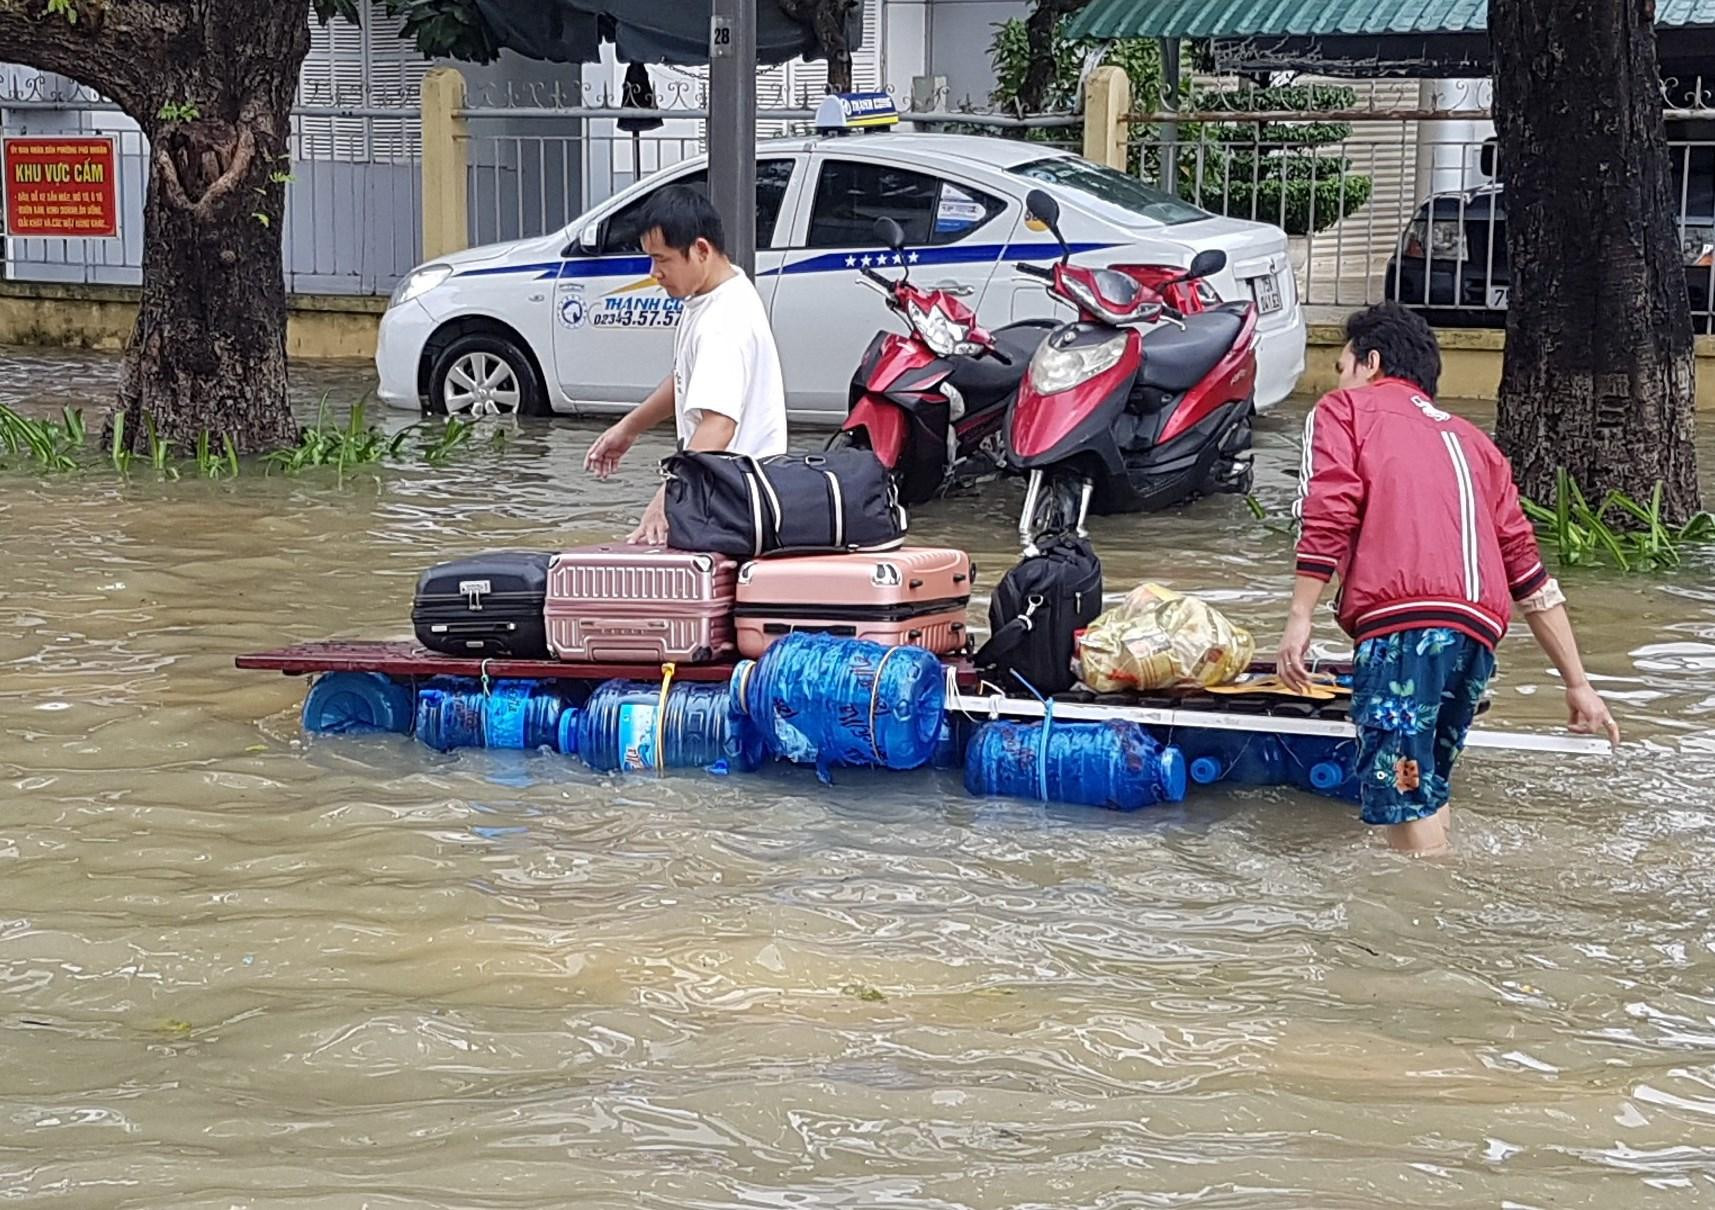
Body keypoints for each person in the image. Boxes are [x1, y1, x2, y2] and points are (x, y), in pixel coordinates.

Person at [1277, 302, 1620, 856]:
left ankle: (1422, 921)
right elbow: (1527, 569)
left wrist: (1299, 620)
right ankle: (1443, 891)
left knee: (1402, 786)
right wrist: (1577, 682)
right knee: (1425, 779)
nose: (1338, 377)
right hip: (1475, 641)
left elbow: (1329, 511)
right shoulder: (1477, 444)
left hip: (1405, 632)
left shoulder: (1347, 410)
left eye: (1341, 365)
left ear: (1371, 362)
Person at [583, 185, 787, 543]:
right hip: (727, 490)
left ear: (701, 250)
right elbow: (687, 380)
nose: (654, 273)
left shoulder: (722, 321)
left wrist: (668, 498)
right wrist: (630, 427)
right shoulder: (720, 291)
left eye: (662, 260)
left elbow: (719, 424)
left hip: (735, 502)